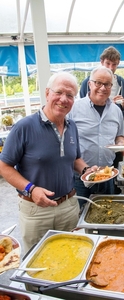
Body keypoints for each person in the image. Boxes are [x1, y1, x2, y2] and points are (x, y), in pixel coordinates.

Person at [0, 72, 98, 253]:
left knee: (69, 255)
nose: (64, 99)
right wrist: (31, 188)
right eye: (59, 92)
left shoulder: (72, 126)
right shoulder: (24, 127)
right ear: (47, 93)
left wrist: (86, 170)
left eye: (70, 95)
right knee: (36, 262)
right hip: (36, 210)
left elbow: (74, 158)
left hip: (68, 206)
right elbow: (4, 166)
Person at [69, 66, 124, 207]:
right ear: (89, 84)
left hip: (108, 174)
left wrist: (120, 143)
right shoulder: (74, 109)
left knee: (107, 212)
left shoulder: (116, 111)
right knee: (80, 216)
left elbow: (120, 136)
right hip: (80, 176)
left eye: (107, 84)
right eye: (98, 83)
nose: (103, 88)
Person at [80, 46, 124, 119]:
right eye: (108, 63)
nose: (110, 67)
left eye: (114, 64)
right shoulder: (87, 82)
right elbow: (82, 107)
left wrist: (123, 107)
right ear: (102, 62)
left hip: (112, 122)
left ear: (118, 64)